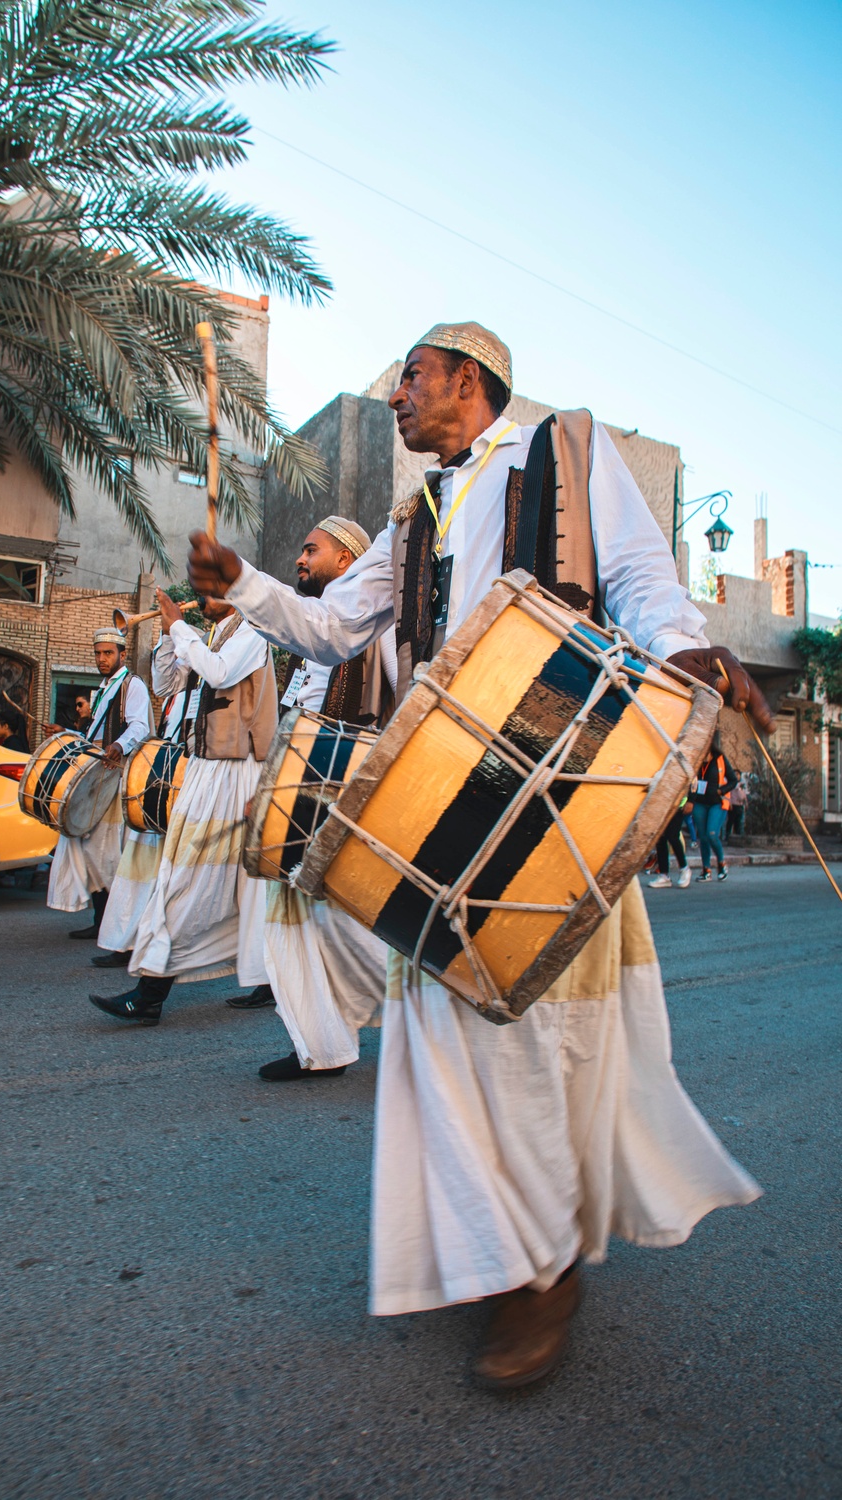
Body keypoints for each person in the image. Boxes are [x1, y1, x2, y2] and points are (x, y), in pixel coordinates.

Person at [186, 319, 774, 1388]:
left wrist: (686, 650)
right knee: (446, 1031)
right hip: (433, 800)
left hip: (550, 782)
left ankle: (541, 1269)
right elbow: (329, 629)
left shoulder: (569, 452)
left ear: (470, 377)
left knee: (526, 1030)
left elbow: (641, 580)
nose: (400, 394)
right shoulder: (409, 518)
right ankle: (502, 1251)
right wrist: (244, 585)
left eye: (411, 375)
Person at [89, 594, 278, 1026]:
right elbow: (165, 684)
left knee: (193, 882)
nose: (200, 599)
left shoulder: (252, 633)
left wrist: (178, 627)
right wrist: (166, 633)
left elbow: (220, 671)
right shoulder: (212, 635)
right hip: (207, 769)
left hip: (236, 774)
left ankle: (153, 993)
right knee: (199, 883)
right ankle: (156, 991)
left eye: (208, 589)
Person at [255, 515, 397, 1080]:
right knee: (298, 916)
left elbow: (405, 703)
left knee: (347, 920)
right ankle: (321, 1043)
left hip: (347, 797)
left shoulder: (376, 629)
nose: (300, 560)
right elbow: (298, 716)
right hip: (302, 794)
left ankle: (423, 1008)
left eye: (311, 550)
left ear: (347, 561)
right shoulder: (310, 641)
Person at [91, 591, 196, 970]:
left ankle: (157, 950)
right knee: (138, 865)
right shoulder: (180, 676)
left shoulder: (213, 664)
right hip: (163, 772)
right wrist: (168, 633)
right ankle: (127, 942)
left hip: (189, 774)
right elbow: (163, 681)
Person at [47, 626, 152, 940]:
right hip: (94, 775)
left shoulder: (132, 685)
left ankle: (112, 920)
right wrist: (67, 732)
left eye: (108, 653)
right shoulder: (104, 687)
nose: (102, 658)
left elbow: (140, 726)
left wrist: (119, 745)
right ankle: (100, 918)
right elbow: (95, 735)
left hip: (115, 777)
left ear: (122, 654)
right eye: (98, 653)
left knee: (105, 849)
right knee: (86, 843)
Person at [692, 737, 735, 882]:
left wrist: (721, 791)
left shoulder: (720, 759)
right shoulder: (696, 761)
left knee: (711, 834)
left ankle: (722, 864)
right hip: (700, 803)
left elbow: (733, 780)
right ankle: (706, 870)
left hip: (717, 803)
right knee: (703, 837)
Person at [647, 802, 692, 889]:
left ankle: (684, 868)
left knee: (673, 836)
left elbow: (691, 787)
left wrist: (691, 801)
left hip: (678, 803)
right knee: (660, 837)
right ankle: (664, 875)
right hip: (662, 803)